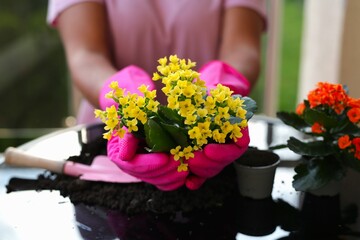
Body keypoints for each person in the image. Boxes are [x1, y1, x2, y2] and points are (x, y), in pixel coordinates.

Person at [47, 0, 267, 191]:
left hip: (207, 140)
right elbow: (85, 55)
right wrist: (123, 99)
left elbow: (243, 48)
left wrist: (219, 89)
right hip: (110, 137)